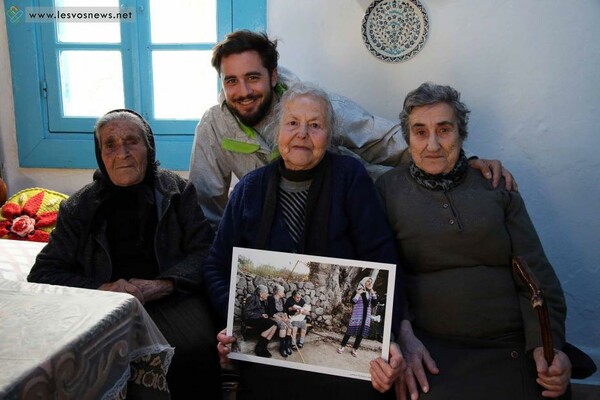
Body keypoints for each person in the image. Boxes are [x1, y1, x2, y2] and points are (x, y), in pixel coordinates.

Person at [189, 29, 515, 230]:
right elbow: (206, 206)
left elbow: (382, 139)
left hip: (339, 212)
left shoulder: (315, 103)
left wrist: (458, 159)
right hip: (274, 232)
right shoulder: (214, 126)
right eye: (231, 81)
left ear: (273, 76)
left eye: (253, 77)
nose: (243, 91)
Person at [205, 82, 405, 398]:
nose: (302, 133)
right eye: (293, 123)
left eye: (315, 125)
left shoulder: (350, 177)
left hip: (340, 366)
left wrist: (387, 336)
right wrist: (235, 318)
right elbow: (217, 266)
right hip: (267, 354)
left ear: (330, 135)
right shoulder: (249, 190)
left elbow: (383, 259)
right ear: (277, 131)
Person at [375, 83, 572, 399]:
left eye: (444, 130)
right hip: (430, 350)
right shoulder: (387, 191)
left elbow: (536, 275)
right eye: (420, 132)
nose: (433, 144)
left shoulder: (495, 186)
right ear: (408, 139)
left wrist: (545, 347)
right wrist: (401, 336)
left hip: (509, 345)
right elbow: (382, 275)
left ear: (461, 133)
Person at [27, 109, 222, 399]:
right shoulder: (79, 207)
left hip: (171, 297)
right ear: (100, 154)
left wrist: (162, 284)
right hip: (106, 305)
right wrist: (103, 289)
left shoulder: (178, 192)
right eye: (111, 144)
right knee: (81, 360)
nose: (123, 153)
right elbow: (44, 273)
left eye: (132, 141)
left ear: (149, 147)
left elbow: (205, 252)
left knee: (194, 348)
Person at [338, 276, 379, 358]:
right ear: (363, 282)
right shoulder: (357, 290)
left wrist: (373, 293)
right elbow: (353, 301)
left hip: (366, 316)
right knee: (349, 331)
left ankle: (355, 349)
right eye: (368, 281)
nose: (369, 283)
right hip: (357, 315)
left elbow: (374, 304)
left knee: (361, 333)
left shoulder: (370, 293)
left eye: (371, 282)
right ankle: (342, 346)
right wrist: (358, 293)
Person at [244, 284, 278, 357]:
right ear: (261, 293)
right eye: (266, 293)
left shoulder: (264, 300)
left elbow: (263, 311)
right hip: (251, 319)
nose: (268, 294)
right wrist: (261, 315)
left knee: (275, 325)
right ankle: (259, 347)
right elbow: (247, 312)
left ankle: (264, 347)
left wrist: (264, 315)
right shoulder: (252, 298)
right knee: (271, 324)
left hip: (259, 319)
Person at [267, 284, 294, 357]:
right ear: (278, 292)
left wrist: (285, 317)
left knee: (289, 324)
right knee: (283, 325)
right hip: (274, 316)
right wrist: (282, 319)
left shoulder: (282, 299)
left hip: (282, 316)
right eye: (283, 291)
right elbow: (271, 313)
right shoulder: (271, 298)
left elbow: (284, 310)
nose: (284, 293)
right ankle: (282, 348)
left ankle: (287, 346)